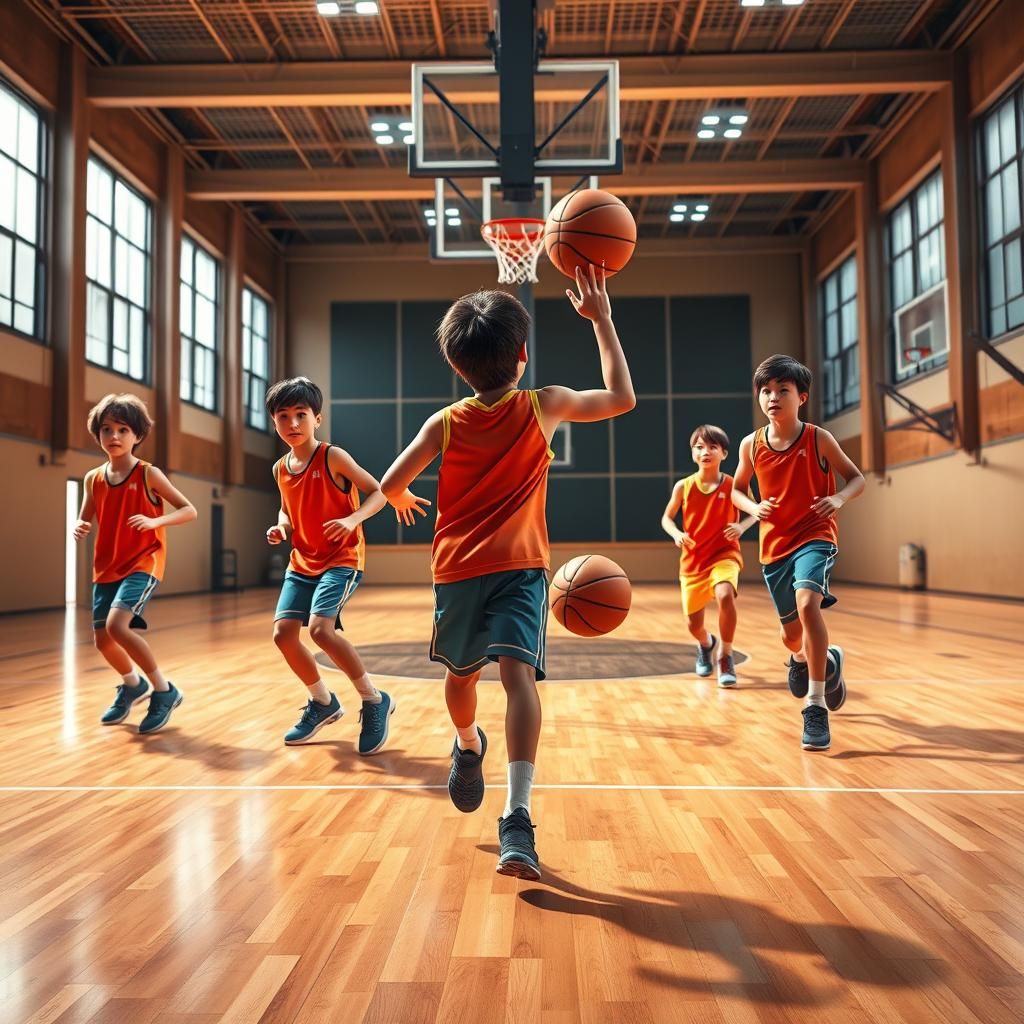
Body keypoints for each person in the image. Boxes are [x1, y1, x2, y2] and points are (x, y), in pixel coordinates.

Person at [380, 266, 635, 880]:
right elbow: (622, 397)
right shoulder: (545, 404)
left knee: (498, 678)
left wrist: (401, 498)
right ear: (522, 355)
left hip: (494, 570)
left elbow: (390, 483)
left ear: (455, 364)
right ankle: (471, 746)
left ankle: (514, 813)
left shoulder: (444, 422)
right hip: (491, 569)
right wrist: (601, 320)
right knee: (475, 678)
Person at [732, 355, 865, 751]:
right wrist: (753, 507)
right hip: (774, 546)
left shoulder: (818, 438)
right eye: (766, 391)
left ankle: (816, 705)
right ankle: (812, 658)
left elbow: (856, 478)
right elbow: (737, 490)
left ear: (801, 397)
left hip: (814, 536)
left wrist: (838, 498)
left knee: (809, 605)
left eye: (782, 390)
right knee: (792, 637)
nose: (773, 397)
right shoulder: (751, 445)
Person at [265, 376, 397, 754]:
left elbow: (379, 493)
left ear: (317, 419)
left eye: (301, 415)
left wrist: (353, 519)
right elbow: (287, 509)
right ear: (274, 421)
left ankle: (373, 699)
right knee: (283, 635)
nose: (292, 423)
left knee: (321, 630)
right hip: (301, 561)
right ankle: (322, 701)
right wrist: (282, 527)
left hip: (341, 559)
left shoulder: (332, 457)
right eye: (283, 416)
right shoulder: (280, 468)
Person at [74, 393, 197, 733]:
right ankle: (133, 685)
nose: (114, 436)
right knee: (103, 640)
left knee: (118, 626)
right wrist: (80, 525)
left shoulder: (148, 474)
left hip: (144, 561)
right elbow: (86, 516)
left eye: (123, 429)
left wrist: (156, 521)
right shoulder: (93, 478)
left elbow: (189, 510)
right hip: (106, 566)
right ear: (98, 434)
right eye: (107, 429)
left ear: (137, 435)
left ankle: (164, 690)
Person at [661, 424, 757, 686]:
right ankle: (706, 643)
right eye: (699, 447)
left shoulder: (732, 485)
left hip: (725, 555)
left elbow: (755, 510)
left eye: (712, 447)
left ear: (724, 453)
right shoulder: (683, 487)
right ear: (693, 453)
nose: (705, 451)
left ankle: (725, 654)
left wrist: (742, 526)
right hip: (693, 561)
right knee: (694, 625)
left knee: (725, 594)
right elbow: (666, 518)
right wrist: (676, 533)